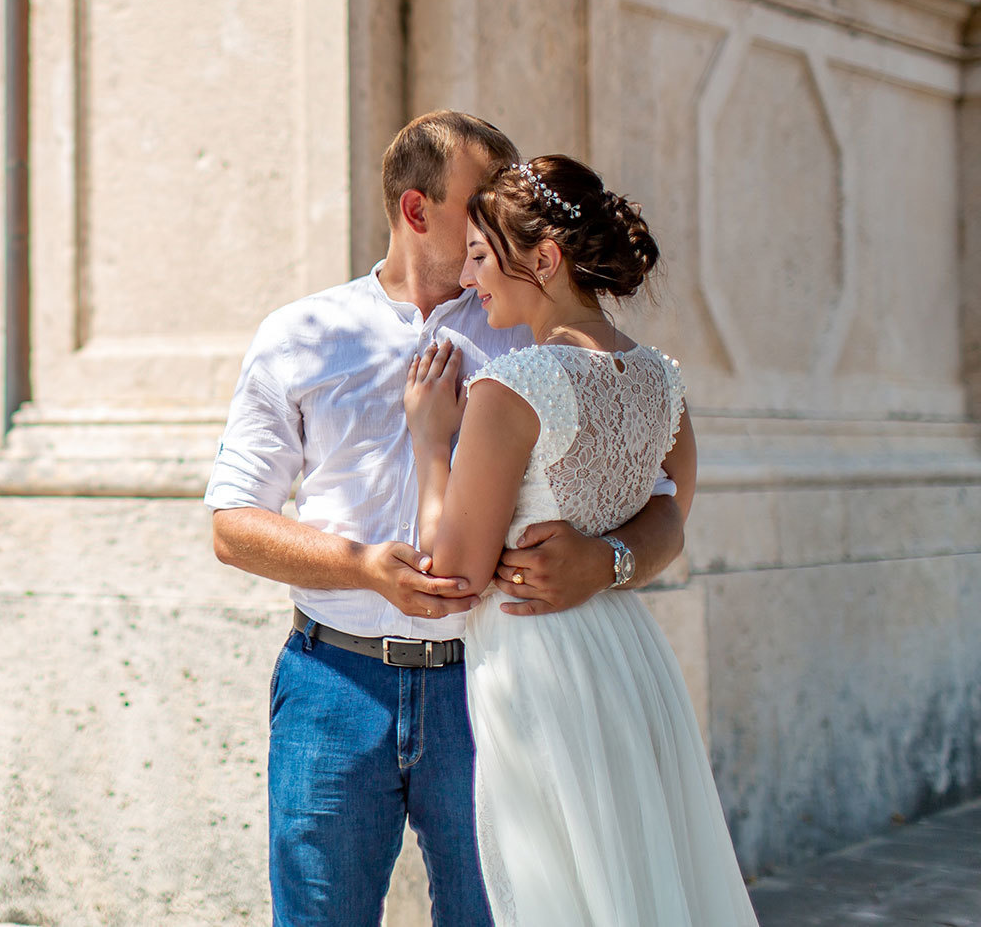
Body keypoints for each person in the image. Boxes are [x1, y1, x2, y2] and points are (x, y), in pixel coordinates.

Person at [206, 112, 689, 927]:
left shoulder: (527, 328)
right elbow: (232, 523)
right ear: (417, 210)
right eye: (480, 203)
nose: (495, 222)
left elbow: (666, 504)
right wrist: (360, 566)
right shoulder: (299, 336)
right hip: (334, 685)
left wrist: (604, 558)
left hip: (490, 685)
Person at [402, 154, 757, 927]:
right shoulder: (660, 378)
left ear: (544, 257)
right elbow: (670, 515)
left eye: (480, 255)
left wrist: (432, 443)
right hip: (630, 663)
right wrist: (611, 561)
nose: (468, 279)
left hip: (540, 671)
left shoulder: (513, 386)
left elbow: (451, 576)